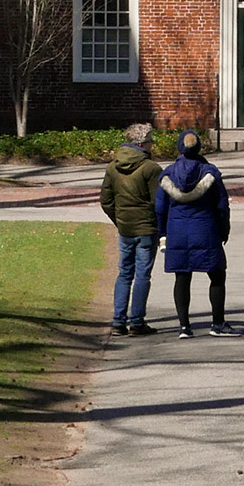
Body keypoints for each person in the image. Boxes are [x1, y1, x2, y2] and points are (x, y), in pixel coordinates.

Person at [154, 130, 232, 338]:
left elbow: (160, 209)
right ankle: (217, 323)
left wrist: (162, 234)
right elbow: (221, 205)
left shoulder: (168, 174)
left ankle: (184, 327)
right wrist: (224, 230)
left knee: (182, 276)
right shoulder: (210, 173)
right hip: (206, 230)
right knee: (216, 275)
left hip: (177, 232)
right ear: (198, 148)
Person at [100, 123, 162, 337]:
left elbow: (106, 201)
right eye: (151, 140)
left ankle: (118, 321)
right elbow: (159, 203)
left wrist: (119, 220)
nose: (153, 144)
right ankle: (137, 321)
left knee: (125, 273)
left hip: (125, 228)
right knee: (143, 274)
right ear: (143, 143)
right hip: (146, 228)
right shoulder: (151, 169)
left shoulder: (112, 167)